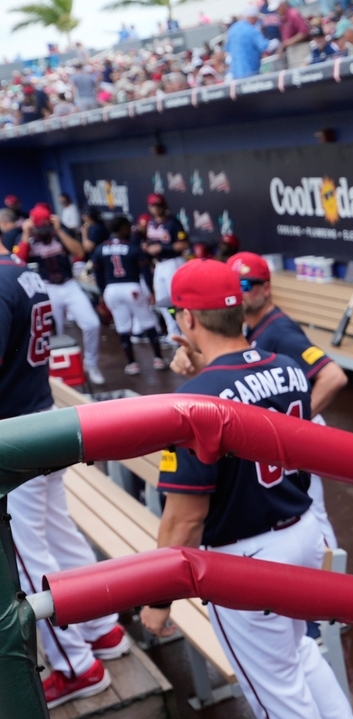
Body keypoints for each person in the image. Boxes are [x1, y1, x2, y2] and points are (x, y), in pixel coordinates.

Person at [139, 260, 353, 719]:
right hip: (301, 534)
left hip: (248, 561)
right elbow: (241, 384)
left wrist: (158, 600)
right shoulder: (290, 368)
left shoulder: (198, 398)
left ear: (189, 319)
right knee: (301, 657)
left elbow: (185, 517)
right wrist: (203, 376)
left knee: (276, 696)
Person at [1, 238, 130, 709]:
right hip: (40, 420)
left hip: (13, 438)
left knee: (26, 555)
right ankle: (102, 630)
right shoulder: (23, 273)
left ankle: (78, 666)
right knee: (60, 537)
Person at [216, 251, 348, 549]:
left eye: (246, 285)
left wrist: (295, 427)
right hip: (288, 432)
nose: (240, 293)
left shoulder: (279, 329)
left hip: (301, 431)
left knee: (312, 510)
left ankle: (333, 580)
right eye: (234, 286)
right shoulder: (253, 327)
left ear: (266, 288)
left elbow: (333, 376)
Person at [16, 204, 104, 385]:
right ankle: (59, 372)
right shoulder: (27, 238)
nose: (43, 230)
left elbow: (79, 252)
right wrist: (25, 234)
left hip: (69, 284)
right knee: (56, 332)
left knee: (92, 324)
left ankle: (91, 364)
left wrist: (58, 230)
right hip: (47, 287)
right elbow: (19, 262)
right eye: (39, 226)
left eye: (45, 225)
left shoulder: (59, 232)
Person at [89, 217, 164, 375]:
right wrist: (150, 291)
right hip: (132, 287)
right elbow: (145, 272)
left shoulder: (101, 248)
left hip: (111, 289)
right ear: (123, 228)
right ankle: (158, 359)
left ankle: (132, 364)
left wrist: (103, 292)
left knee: (122, 327)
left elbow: (97, 273)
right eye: (128, 227)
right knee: (148, 322)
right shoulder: (133, 246)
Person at [143, 193, 188, 342]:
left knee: (177, 300)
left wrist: (161, 248)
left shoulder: (173, 222)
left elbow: (184, 244)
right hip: (159, 265)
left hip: (173, 262)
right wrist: (148, 247)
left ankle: (185, 333)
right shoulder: (150, 223)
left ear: (164, 206)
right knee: (162, 301)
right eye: (153, 205)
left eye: (158, 205)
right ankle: (173, 333)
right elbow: (151, 241)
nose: (155, 208)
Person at [226, 6, 270, 80]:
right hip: (251, 72)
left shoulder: (232, 29)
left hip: (236, 73)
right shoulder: (252, 30)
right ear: (253, 18)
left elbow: (228, 49)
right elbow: (264, 46)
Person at [277, 0, 312, 69]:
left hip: (301, 49)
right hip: (292, 52)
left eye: (277, 8)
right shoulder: (283, 18)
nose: (276, 10)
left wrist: (287, 43)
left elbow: (304, 32)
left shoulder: (293, 14)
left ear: (283, 5)